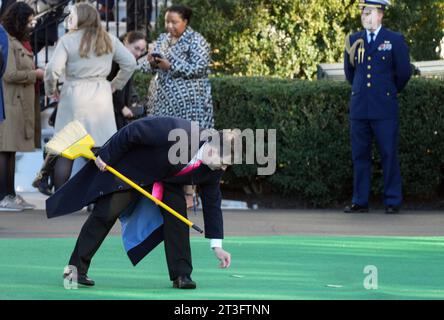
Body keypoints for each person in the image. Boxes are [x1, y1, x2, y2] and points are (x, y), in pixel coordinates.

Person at [46, 116, 234, 289]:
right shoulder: (178, 131)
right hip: (134, 170)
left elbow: (212, 204)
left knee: (178, 218)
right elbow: (132, 131)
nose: (223, 168)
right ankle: (74, 271)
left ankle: (182, 275)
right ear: (211, 148)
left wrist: (217, 246)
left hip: (166, 180)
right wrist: (107, 155)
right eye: (223, 162)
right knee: (105, 214)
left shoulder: (213, 168)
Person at [32, 2, 136, 193]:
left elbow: (52, 69)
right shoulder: (108, 39)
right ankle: (96, 196)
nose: (69, 19)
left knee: (66, 148)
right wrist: (115, 85)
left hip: (74, 93)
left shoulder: (68, 40)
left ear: (81, 18)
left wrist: (50, 89)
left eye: (72, 15)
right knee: (99, 150)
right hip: (101, 96)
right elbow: (130, 63)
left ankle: (62, 198)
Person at [343, 0, 412, 214]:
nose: (365, 16)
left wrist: (388, 92)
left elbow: (404, 73)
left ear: (380, 15)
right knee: (360, 156)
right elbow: (350, 73)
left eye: (370, 12)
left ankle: (392, 201)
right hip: (360, 108)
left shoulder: (394, 40)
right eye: (364, 12)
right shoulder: (354, 40)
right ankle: (360, 201)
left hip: (384, 108)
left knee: (388, 154)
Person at [143, 4, 214, 208]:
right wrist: (151, 61)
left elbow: (200, 67)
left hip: (190, 103)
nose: (169, 26)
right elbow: (145, 68)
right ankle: (164, 189)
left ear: (185, 22)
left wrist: (171, 66)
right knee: (164, 143)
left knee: (187, 144)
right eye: (167, 21)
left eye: (174, 22)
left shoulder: (197, 40)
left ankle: (190, 193)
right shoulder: (163, 40)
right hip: (163, 103)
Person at [0, 2, 44, 211]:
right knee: (5, 150)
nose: (31, 24)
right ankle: (4, 196)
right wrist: (33, 75)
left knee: (11, 151)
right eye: (28, 20)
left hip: (18, 103)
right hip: (11, 103)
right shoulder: (8, 41)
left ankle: (10, 194)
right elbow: (8, 74)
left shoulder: (18, 41)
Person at [108, 31, 147, 130]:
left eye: (142, 50)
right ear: (125, 43)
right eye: (136, 48)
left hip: (119, 110)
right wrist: (121, 107)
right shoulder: (116, 61)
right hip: (112, 111)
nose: (138, 53)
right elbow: (109, 87)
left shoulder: (127, 60)